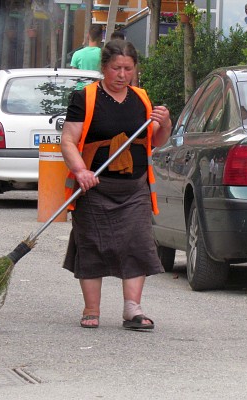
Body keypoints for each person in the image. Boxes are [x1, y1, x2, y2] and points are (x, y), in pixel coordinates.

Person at [61, 39, 172, 330]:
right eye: (115, 68)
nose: (122, 75)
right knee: (92, 246)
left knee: (137, 243)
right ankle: (91, 309)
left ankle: (132, 310)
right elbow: (68, 141)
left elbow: (156, 141)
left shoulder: (142, 99)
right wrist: (80, 170)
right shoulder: (84, 98)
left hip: (134, 187)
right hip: (94, 187)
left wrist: (166, 123)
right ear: (103, 68)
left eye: (128, 69)